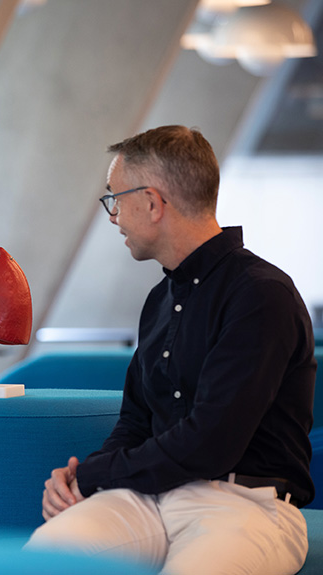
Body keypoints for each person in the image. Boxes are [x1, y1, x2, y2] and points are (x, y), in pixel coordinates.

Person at [26, 125, 316, 575]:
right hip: (149, 497)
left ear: (153, 202)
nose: (112, 216)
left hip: (246, 506)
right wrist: (75, 480)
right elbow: (135, 423)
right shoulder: (159, 302)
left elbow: (209, 444)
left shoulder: (261, 296)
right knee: (47, 559)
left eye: (115, 199)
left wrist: (95, 476)